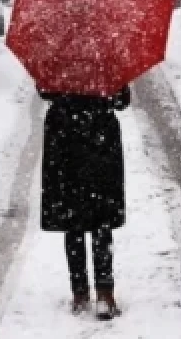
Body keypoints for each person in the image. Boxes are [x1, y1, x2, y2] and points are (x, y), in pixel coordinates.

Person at [39, 85, 131, 320]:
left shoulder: (57, 54)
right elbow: (122, 100)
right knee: (101, 220)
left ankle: (80, 292)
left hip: (65, 142)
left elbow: (44, 91)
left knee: (74, 221)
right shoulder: (107, 57)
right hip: (100, 142)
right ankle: (104, 292)